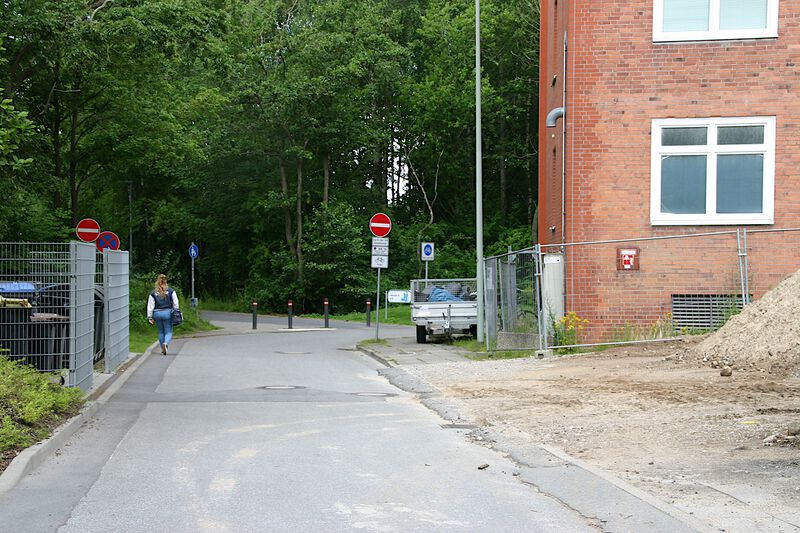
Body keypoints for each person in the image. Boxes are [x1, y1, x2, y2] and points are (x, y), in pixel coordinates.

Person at [147, 274, 180, 355]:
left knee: (160, 331)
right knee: (168, 331)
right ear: (166, 281)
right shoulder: (171, 291)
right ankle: (165, 344)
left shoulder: (153, 293)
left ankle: (163, 348)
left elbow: (150, 306)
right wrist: (176, 311)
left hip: (157, 313)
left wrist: (150, 317)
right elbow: (176, 303)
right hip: (167, 313)